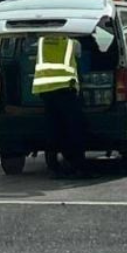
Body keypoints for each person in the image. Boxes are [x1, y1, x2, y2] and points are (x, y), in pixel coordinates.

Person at [32, 33, 86, 177]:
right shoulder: (72, 43)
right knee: (74, 129)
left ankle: (53, 166)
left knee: (53, 129)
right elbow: (81, 55)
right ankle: (77, 166)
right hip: (65, 90)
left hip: (46, 90)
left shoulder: (41, 41)